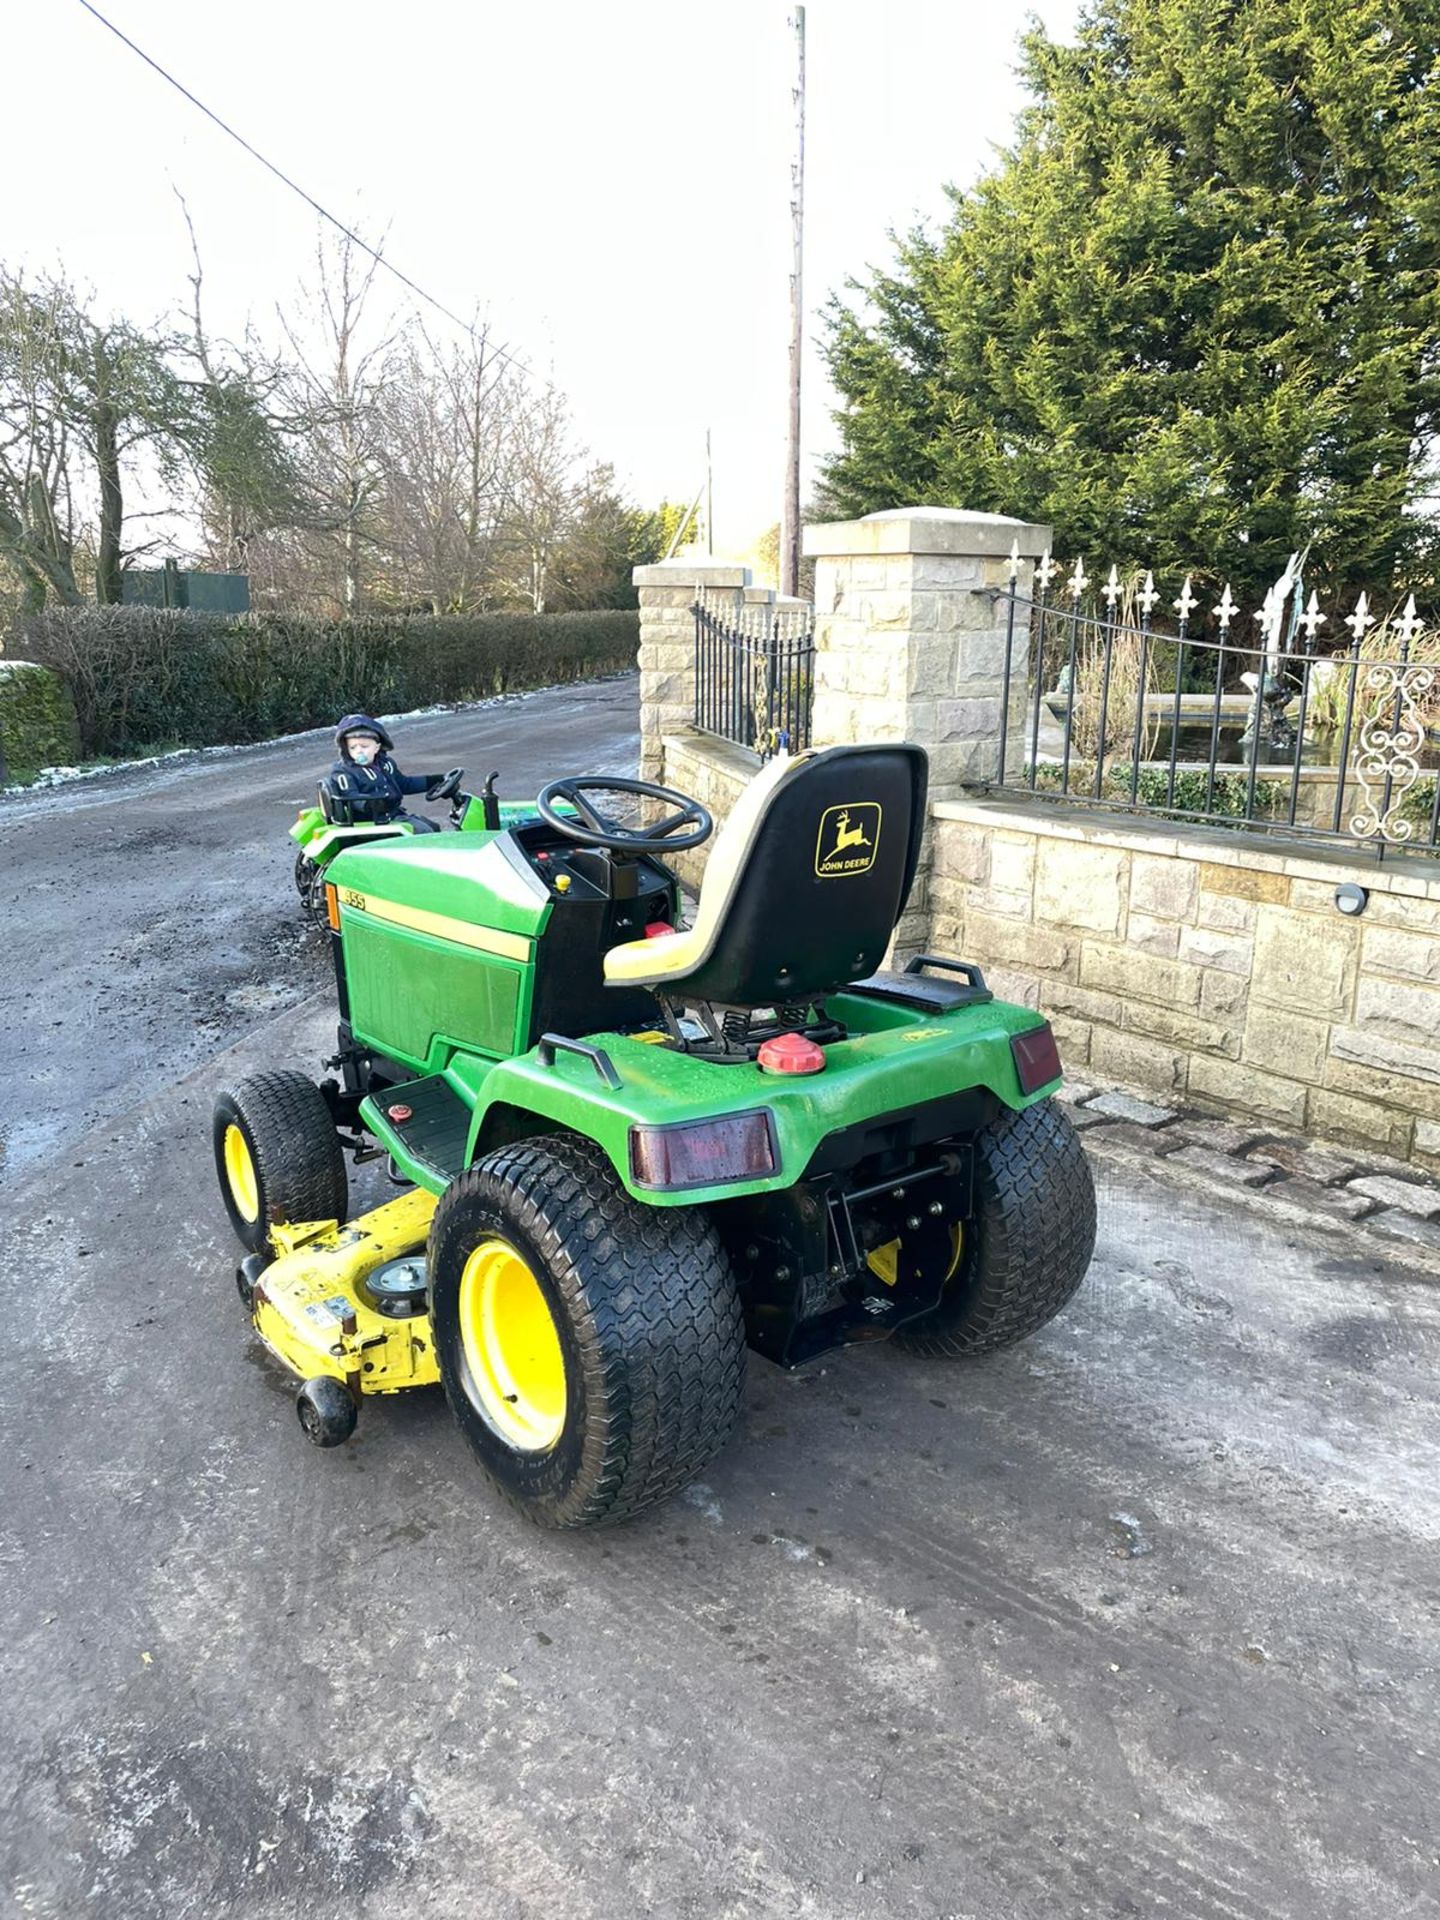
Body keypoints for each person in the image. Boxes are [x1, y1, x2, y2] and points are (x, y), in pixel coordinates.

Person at [325, 714, 458, 833]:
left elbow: (404, 784)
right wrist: (373, 804)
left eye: (364, 746)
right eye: (353, 747)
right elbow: (351, 796)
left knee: (433, 827)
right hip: (373, 822)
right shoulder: (343, 771)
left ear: (377, 747)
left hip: (393, 814)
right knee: (425, 831)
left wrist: (435, 780)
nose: (359, 751)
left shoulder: (385, 764)